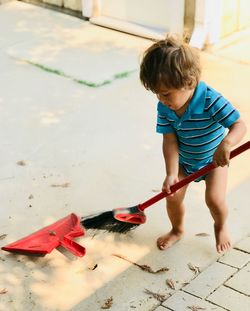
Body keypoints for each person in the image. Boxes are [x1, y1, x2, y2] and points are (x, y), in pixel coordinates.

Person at [140, 34, 247, 253]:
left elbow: (239, 125)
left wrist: (226, 144)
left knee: (214, 200)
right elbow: (169, 140)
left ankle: (220, 225)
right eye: (157, 94)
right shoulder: (165, 107)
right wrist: (171, 173)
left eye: (165, 93)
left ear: (188, 83)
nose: (161, 99)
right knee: (173, 197)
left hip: (214, 161)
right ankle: (177, 230)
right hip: (185, 162)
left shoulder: (210, 100)